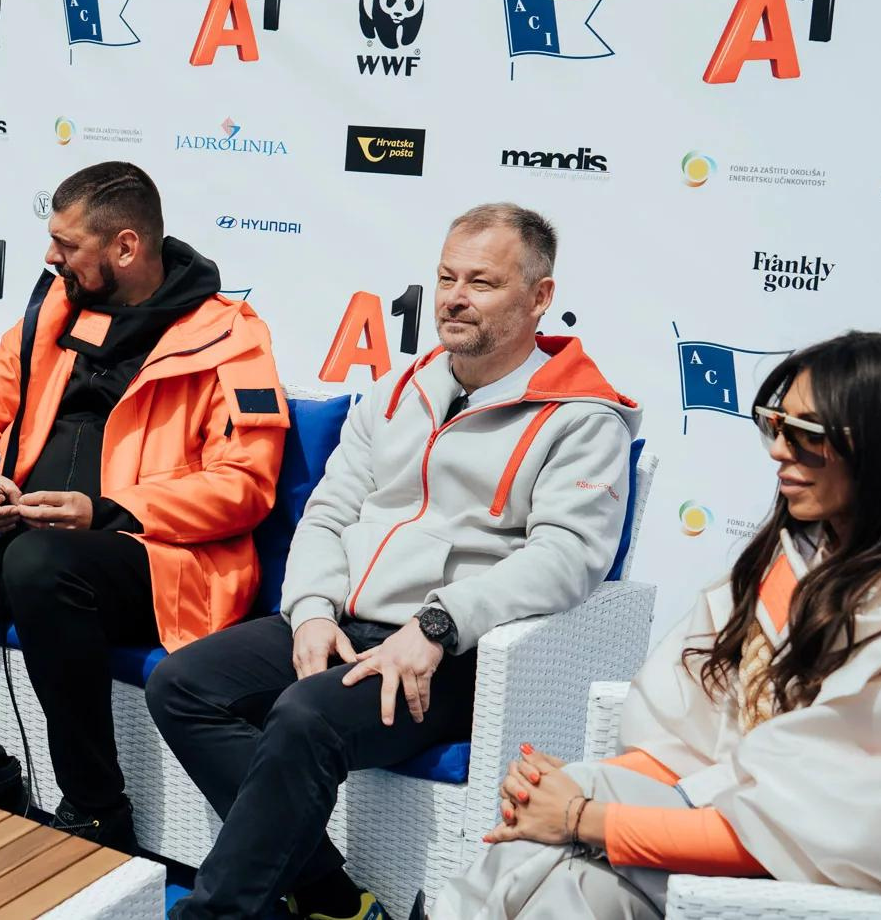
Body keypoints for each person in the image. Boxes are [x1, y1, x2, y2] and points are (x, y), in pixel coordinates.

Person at [147, 203, 641, 920]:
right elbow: (328, 513)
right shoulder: (397, 391)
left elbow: (567, 558)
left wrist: (438, 625)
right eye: (446, 277)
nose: (454, 298)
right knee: (182, 684)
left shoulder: (582, 417)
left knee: (304, 716)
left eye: (482, 282)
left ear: (540, 298)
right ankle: (331, 896)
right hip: (348, 620)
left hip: (452, 652)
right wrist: (311, 611)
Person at [0, 161, 289, 851]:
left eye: (67, 244)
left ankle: (97, 808)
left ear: (125, 246)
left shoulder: (231, 336)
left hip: (154, 562)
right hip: (27, 545)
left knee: (40, 563)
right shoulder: (52, 313)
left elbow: (246, 483)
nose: (49, 256)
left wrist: (106, 509)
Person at [432, 330, 881, 919]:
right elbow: (694, 741)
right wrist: (576, 788)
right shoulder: (791, 560)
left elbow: (812, 831)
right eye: (773, 425)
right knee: (549, 849)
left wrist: (581, 817)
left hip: (824, 876)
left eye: (808, 436)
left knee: (571, 881)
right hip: (731, 819)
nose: (779, 451)